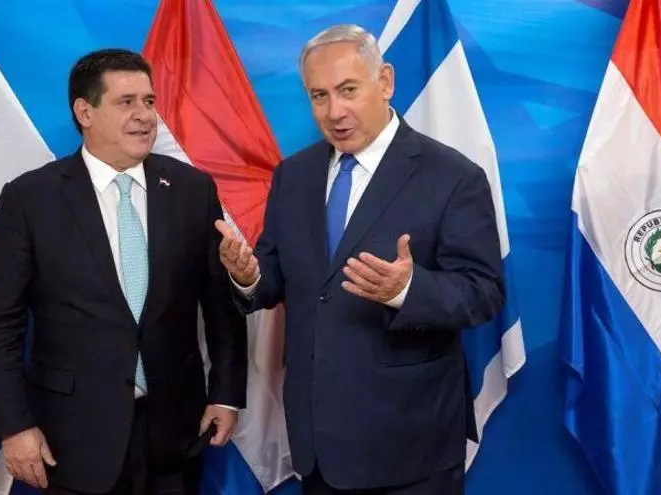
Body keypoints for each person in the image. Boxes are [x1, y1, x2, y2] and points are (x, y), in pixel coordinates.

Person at [215, 25, 504, 495]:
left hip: (410, 444)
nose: (334, 112)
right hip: (317, 442)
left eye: (348, 90)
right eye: (319, 96)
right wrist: (247, 277)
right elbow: (275, 273)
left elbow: (483, 291)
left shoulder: (453, 176)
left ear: (385, 82)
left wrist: (408, 290)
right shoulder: (294, 175)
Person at [0, 48, 247, 495]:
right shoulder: (31, 199)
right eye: (126, 102)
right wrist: (14, 426)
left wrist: (226, 393)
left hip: (175, 433)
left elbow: (221, 307)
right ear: (85, 112)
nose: (144, 115)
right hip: (71, 440)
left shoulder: (192, 189)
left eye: (149, 101)